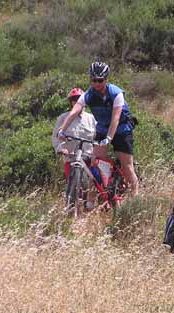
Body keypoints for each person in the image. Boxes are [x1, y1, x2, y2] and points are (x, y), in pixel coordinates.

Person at [58, 61, 139, 196]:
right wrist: (62, 129)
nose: (96, 83)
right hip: (102, 129)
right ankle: (105, 190)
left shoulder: (116, 93)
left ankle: (135, 196)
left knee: (127, 166)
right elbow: (74, 112)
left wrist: (109, 138)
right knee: (97, 163)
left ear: (106, 79)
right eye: (93, 80)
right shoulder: (88, 95)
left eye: (100, 80)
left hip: (121, 130)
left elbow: (115, 119)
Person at [52, 88, 97, 209]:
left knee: (93, 182)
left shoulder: (91, 118)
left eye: (79, 99)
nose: (76, 101)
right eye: (74, 100)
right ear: (71, 102)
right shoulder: (63, 118)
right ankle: (71, 208)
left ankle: (90, 206)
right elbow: (56, 135)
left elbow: (98, 136)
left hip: (88, 156)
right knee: (72, 185)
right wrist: (61, 148)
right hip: (71, 157)